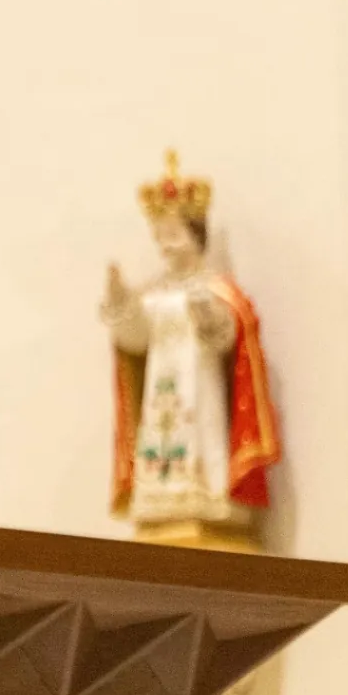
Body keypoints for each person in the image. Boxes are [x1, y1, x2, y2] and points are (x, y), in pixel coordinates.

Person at [100, 151, 280, 552]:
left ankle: (212, 491)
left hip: (200, 387)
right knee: (162, 437)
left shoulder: (215, 289)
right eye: (160, 234)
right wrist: (120, 303)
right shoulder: (155, 291)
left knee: (202, 433)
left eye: (173, 232)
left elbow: (231, 340)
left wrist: (209, 316)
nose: (165, 243)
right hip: (163, 392)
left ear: (193, 233)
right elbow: (136, 341)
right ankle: (163, 500)